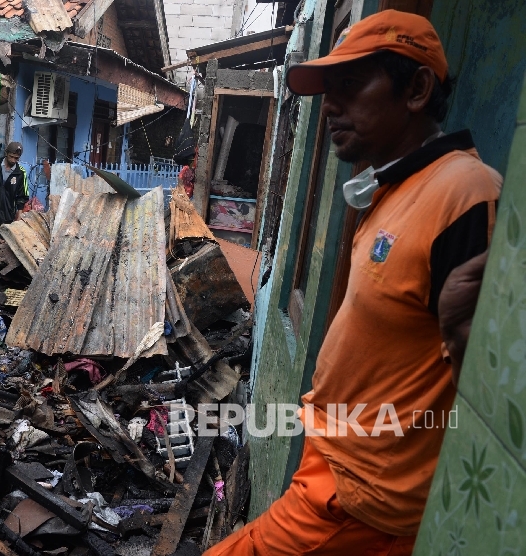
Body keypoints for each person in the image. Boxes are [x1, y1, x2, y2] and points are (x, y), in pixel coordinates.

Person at [205, 10, 501, 555]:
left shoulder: (465, 197)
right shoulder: (394, 191)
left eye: (351, 85)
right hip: (335, 467)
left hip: (364, 498)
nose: (331, 106)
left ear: (415, 89)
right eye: (328, 90)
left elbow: (490, 382)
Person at [0, 141, 28, 246]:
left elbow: (22, 196)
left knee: (2, 246)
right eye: (11, 157)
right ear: (6, 153)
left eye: (16, 158)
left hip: (7, 215)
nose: (13, 160)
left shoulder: (20, 173)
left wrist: (18, 217)